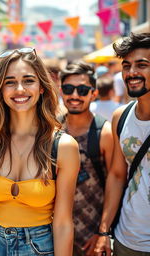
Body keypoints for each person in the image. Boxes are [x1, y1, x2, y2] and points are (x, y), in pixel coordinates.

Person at [0, 48, 80, 255]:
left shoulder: (63, 147)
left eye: (28, 80)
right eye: (10, 82)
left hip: (39, 247)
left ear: (42, 86)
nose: (20, 89)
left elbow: (63, 224)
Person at [94, 33, 150, 256]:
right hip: (127, 240)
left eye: (142, 65)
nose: (131, 72)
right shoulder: (121, 116)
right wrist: (104, 230)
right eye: (126, 66)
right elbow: (117, 175)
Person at [59, 62, 113, 256]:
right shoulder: (52, 129)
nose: (74, 95)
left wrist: (103, 231)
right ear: (61, 92)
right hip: (54, 234)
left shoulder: (103, 132)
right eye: (68, 89)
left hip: (92, 238)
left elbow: (115, 183)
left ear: (94, 94)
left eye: (82, 90)